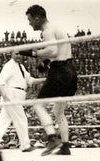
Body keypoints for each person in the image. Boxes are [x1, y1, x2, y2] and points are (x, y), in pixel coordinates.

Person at [21, 5, 77, 156]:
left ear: (37, 18)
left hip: (60, 71)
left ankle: (52, 137)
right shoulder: (56, 29)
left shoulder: (48, 31)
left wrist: (32, 53)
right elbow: (57, 52)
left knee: (38, 105)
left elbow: (52, 51)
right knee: (58, 111)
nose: (30, 23)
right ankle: (65, 147)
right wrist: (45, 62)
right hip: (70, 70)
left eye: (30, 19)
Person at [0, 51, 44, 152]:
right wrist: (6, 97)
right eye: (16, 54)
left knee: (3, 121)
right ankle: (25, 145)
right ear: (11, 54)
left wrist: (44, 80)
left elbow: (30, 81)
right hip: (12, 94)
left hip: (18, 94)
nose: (18, 56)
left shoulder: (21, 67)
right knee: (21, 119)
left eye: (20, 54)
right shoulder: (9, 65)